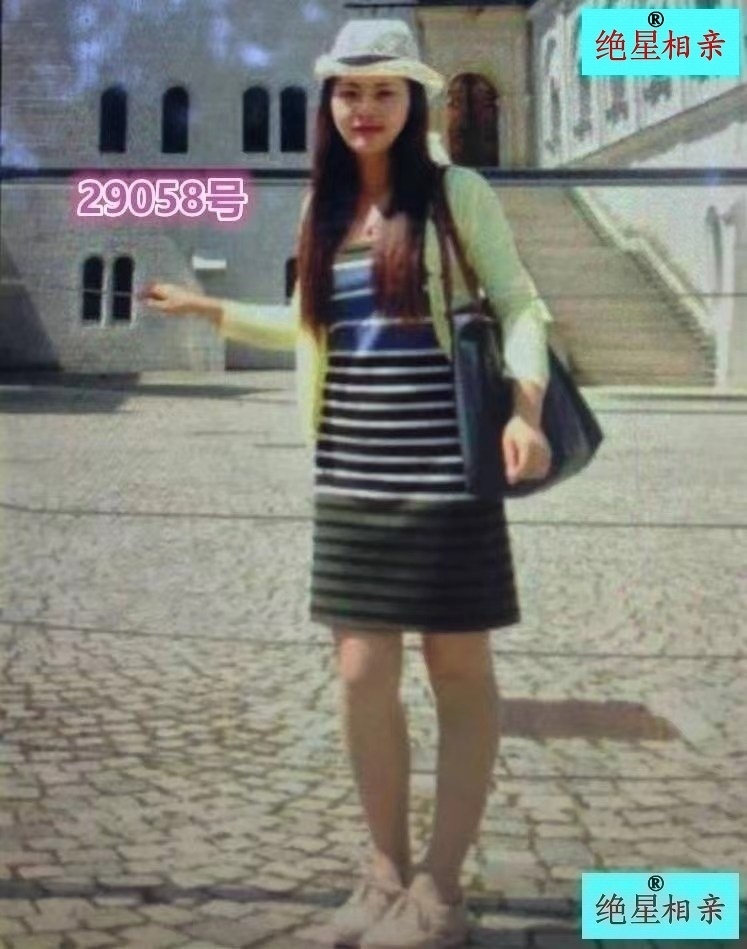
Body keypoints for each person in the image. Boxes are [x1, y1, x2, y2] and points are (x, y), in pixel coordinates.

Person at [139, 18, 553, 949]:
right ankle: (382, 871)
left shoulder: (455, 193)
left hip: (446, 470)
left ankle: (439, 890)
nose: (365, 107)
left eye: (383, 91)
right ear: (329, 103)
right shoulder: (321, 209)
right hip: (351, 470)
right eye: (349, 92)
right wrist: (209, 308)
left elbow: (521, 303)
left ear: (412, 102)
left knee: (458, 671)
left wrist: (523, 411)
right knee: (362, 674)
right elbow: (307, 327)